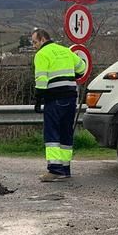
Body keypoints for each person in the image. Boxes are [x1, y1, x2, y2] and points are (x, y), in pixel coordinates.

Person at [31, 28, 87, 182]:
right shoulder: (66, 51)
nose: (34, 46)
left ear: (42, 39)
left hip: (54, 98)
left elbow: (41, 80)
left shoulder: (42, 54)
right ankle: (65, 169)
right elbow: (82, 68)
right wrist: (72, 76)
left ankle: (54, 169)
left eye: (35, 42)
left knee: (52, 133)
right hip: (70, 98)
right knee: (65, 132)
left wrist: (38, 100)